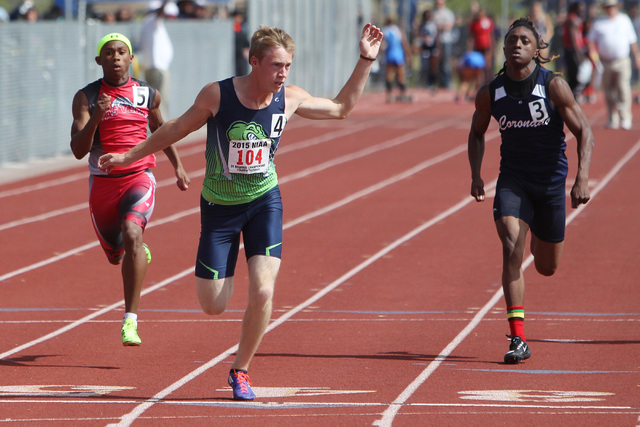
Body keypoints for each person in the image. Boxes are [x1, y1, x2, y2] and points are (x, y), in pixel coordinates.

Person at [98, 23, 383, 400]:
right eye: (276, 66)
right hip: (219, 208)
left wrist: (365, 59)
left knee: (264, 291)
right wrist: (128, 156)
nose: (283, 74)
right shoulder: (218, 95)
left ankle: (240, 370)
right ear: (254, 62)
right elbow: (176, 129)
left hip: (264, 201)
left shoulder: (290, 98)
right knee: (213, 304)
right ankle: (217, 264)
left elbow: (342, 109)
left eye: (288, 66)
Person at [467, 18, 594, 364]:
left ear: (537, 49)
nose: (518, 44)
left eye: (525, 39)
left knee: (547, 267)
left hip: (551, 184)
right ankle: (518, 337)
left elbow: (584, 130)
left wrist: (581, 178)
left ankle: (539, 228)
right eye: (512, 40)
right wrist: (476, 175)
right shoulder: (491, 92)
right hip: (514, 180)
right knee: (511, 245)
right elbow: (477, 133)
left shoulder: (553, 86)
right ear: (504, 47)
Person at [70, 33, 190, 346]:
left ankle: (130, 321)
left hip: (139, 176)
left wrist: (177, 165)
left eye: (121, 52)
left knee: (133, 232)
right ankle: (131, 252)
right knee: (115, 256)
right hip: (103, 184)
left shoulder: (147, 94)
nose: (115, 57)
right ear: (99, 60)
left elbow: (161, 131)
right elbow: (78, 150)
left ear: (131, 57)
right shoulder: (86, 97)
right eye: (108, 53)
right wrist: (97, 113)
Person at [587, 0, 640, 130]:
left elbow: (632, 40)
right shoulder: (599, 22)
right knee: (609, 91)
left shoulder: (624, 20)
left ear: (617, 7)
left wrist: (637, 56)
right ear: (605, 8)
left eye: (612, 6)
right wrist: (593, 53)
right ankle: (612, 118)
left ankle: (625, 117)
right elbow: (590, 40)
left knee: (623, 88)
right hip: (605, 62)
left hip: (622, 60)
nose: (610, 9)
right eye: (608, 7)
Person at [138, 1, 179, 119]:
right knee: (160, 101)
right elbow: (159, 12)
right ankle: (160, 128)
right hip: (158, 68)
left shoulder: (146, 24)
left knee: (153, 101)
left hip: (153, 68)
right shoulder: (152, 21)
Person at [562, 2, 588, 100]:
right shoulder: (572, 19)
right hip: (572, 50)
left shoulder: (575, 18)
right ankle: (573, 96)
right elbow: (573, 37)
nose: (583, 10)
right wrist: (577, 52)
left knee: (577, 73)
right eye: (581, 7)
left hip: (574, 49)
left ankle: (575, 95)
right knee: (575, 74)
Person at [382, 17, 412, 102]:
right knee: (401, 75)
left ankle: (389, 95)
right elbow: (404, 43)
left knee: (389, 75)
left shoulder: (385, 31)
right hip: (398, 54)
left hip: (390, 54)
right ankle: (403, 94)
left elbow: (383, 44)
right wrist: (408, 55)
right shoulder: (398, 30)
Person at [432, 0, 456, 89]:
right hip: (436, 41)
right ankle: (439, 83)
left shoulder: (447, 13)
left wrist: (440, 27)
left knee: (446, 63)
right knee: (437, 63)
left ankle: (447, 83)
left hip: (446, 41)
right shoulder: (434, 13)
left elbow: (449, 25)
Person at [232, 10, 251, 76]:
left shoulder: (242, 27)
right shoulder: (233, 27)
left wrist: (247, 48)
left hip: (241, 54)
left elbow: (245, 39)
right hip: (235, 53)